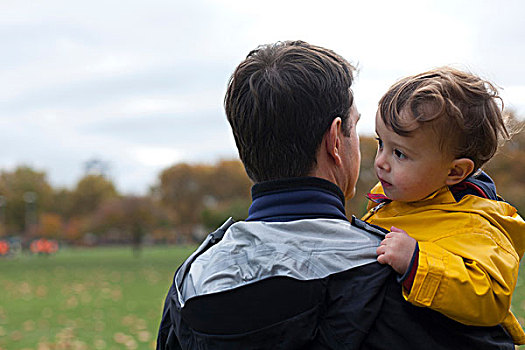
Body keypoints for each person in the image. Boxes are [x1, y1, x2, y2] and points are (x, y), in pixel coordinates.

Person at [156, 41, 514, 349]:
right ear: (335, 140)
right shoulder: (403, 272)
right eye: (360, 131)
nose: (381, 161)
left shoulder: (192, 281)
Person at [363, 67, 525, 344]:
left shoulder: (477, 225)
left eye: (399, 153)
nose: (381, 161)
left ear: (455, 172)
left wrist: (416, 262)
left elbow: (490, 297)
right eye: (381, 144)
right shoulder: (396, 201)